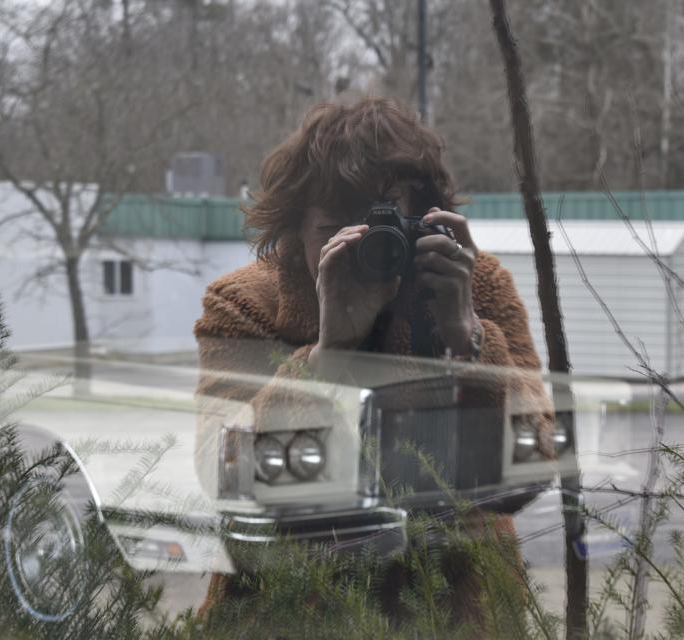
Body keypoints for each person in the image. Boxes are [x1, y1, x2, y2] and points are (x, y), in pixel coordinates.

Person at [193, 96, 553, 623]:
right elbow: (223, 475)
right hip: (292, 609)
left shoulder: (471, 286)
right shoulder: (246, 304)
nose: (363, 245)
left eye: (383, 222)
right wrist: (328, 356)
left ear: (425, 217)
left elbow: (536, 463)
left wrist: (467, 337)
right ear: (294, 226)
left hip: (454, 607)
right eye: (335, 228)